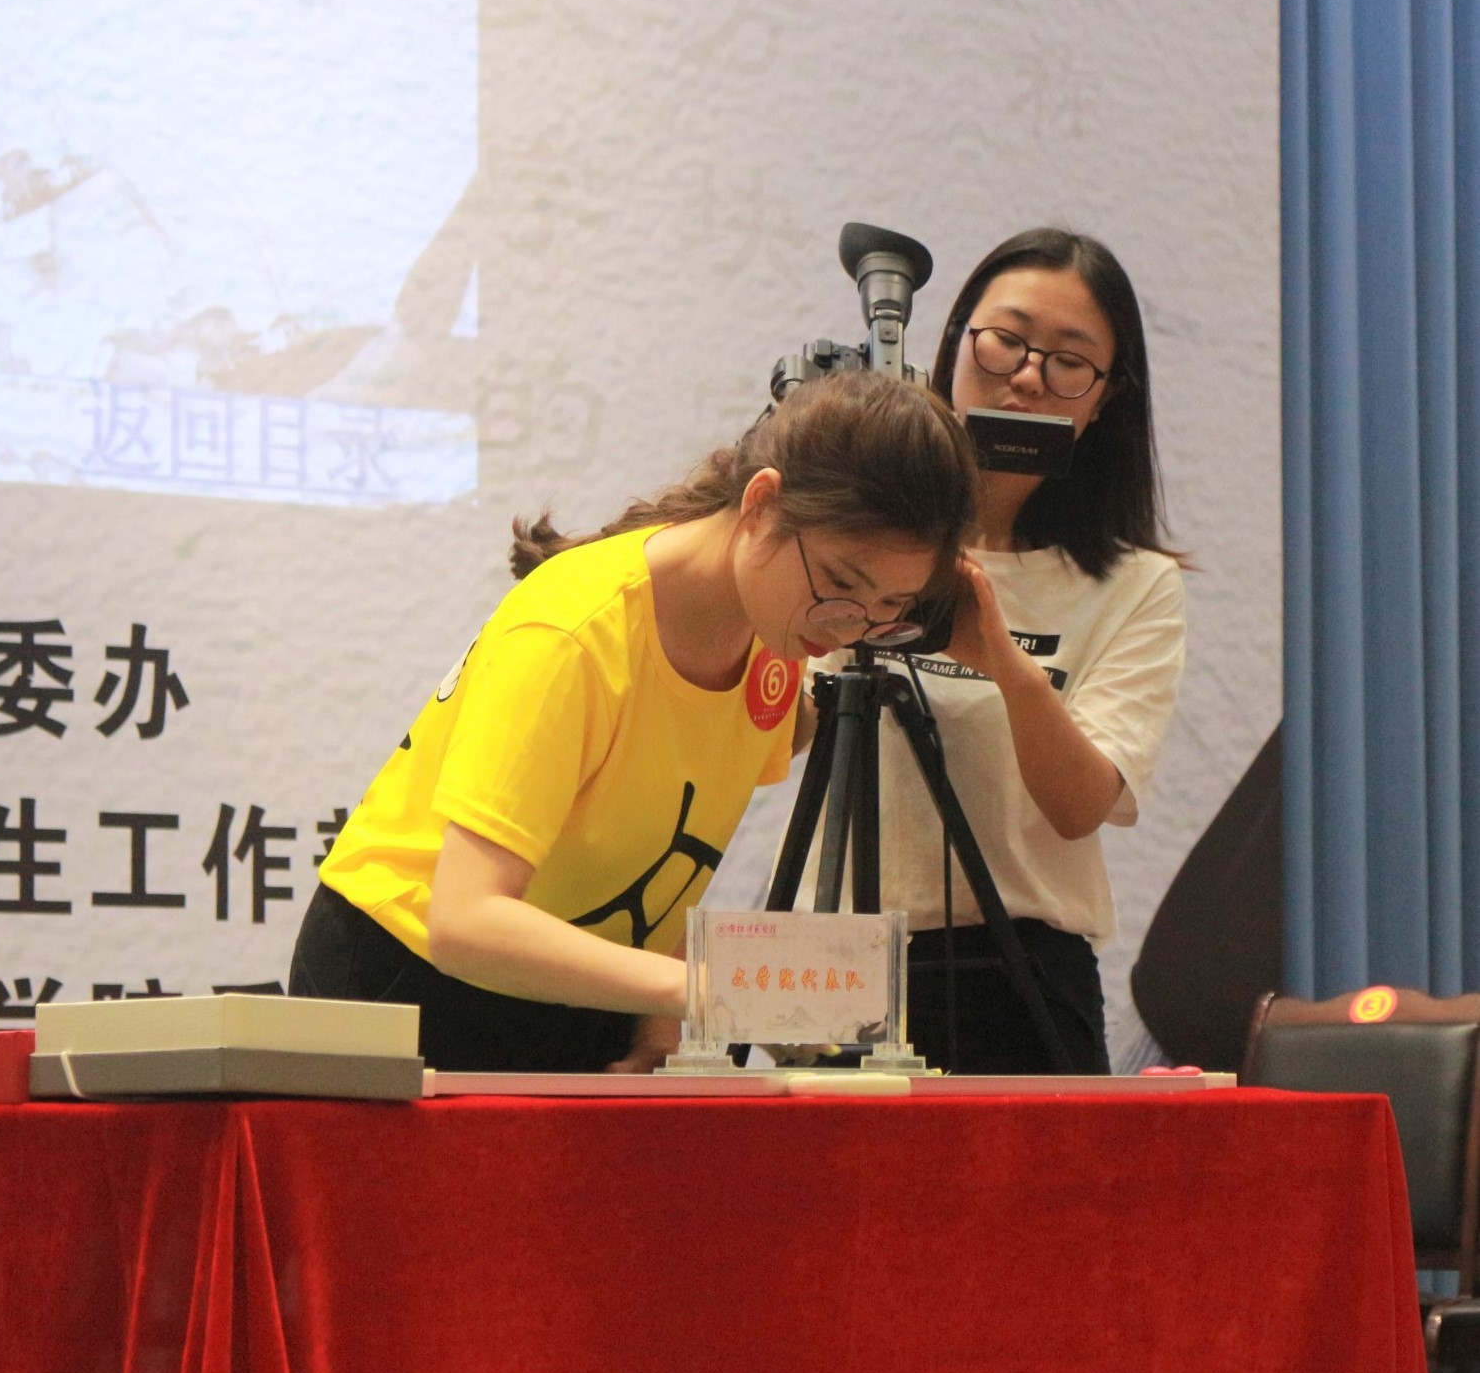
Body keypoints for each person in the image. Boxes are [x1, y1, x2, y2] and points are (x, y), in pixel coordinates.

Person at [290, 370, 980, 1072]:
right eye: (841, 583)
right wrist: (711, 990)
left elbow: (663, 854)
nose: (848, 628)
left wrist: (657, 1024)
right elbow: (464, 921)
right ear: (761, 504)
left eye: (891, 608)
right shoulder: (573, 634)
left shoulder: (776, 639)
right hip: (403, 981)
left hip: (576, 986)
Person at [870, 227, 1187, 1075]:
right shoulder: (863, 539)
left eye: (1068, 361)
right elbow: (782, 730)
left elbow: (1077, 806)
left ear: (1103, 400)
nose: (1026, 376)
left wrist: (1003, 664)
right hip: (845, 959)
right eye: (1004, 340)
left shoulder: (1134, 585)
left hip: (1022, 974)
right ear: (953, 342)